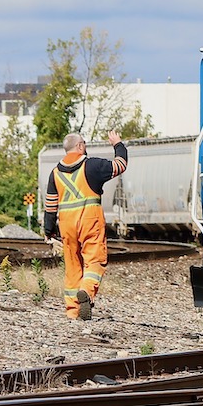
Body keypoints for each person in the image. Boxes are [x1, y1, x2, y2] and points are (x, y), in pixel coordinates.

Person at [43, 131, 128, 320]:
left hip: (66, 224)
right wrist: (117, 144)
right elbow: (120, 165)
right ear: (80, 146)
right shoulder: (92, 166)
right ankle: (86, 291)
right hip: (90, 220)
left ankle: (73, 312)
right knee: (95, 261)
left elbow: (50, 206)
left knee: (73, 266)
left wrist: (49, 232)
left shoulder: (55, 174)